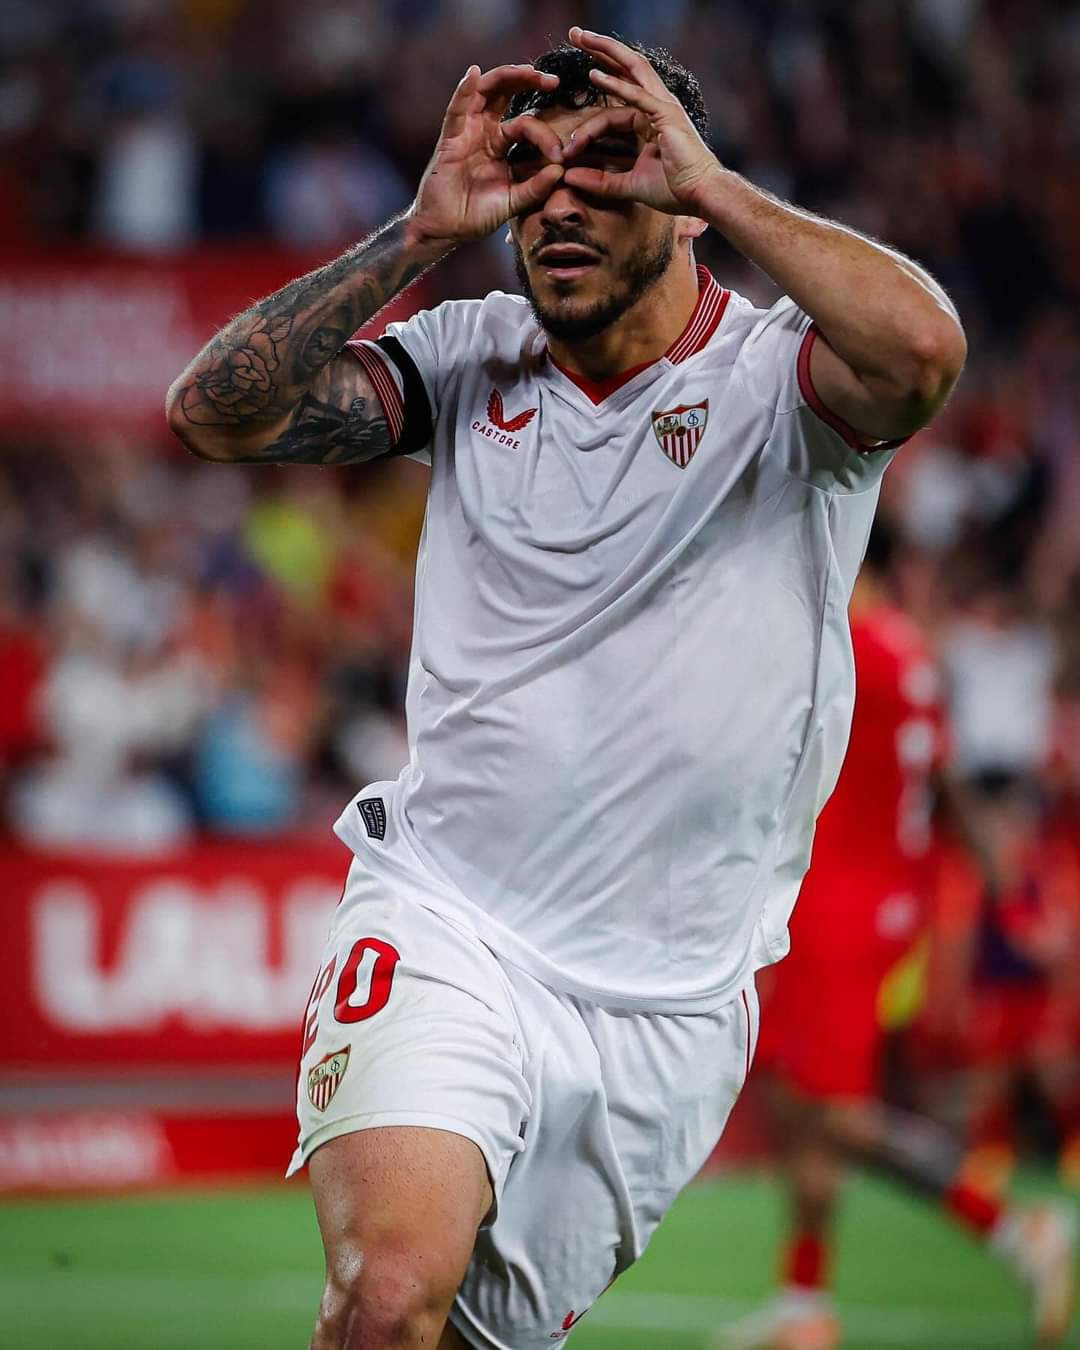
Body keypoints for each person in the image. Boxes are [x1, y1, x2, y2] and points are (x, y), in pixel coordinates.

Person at [166, 28, 968, 1350]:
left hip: (670, 1004)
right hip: (451, 921)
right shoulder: (466, 357)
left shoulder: (780, 381)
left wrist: (718, 186)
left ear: (679, 192)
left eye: (607, 166)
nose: (560, 205)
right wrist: (418, 236)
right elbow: (214, 413)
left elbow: (925, 351)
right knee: (387, 1298)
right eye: (532, 173)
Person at [722, 528, 1076, 1350]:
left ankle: (1012, 1226)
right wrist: (1000, 881)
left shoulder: (849, 646)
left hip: (843, 910)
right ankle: (804, 1304)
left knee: (831, 1112)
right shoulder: (903, 649)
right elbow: (942, 778)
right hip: (870, 901)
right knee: (797, 1101)